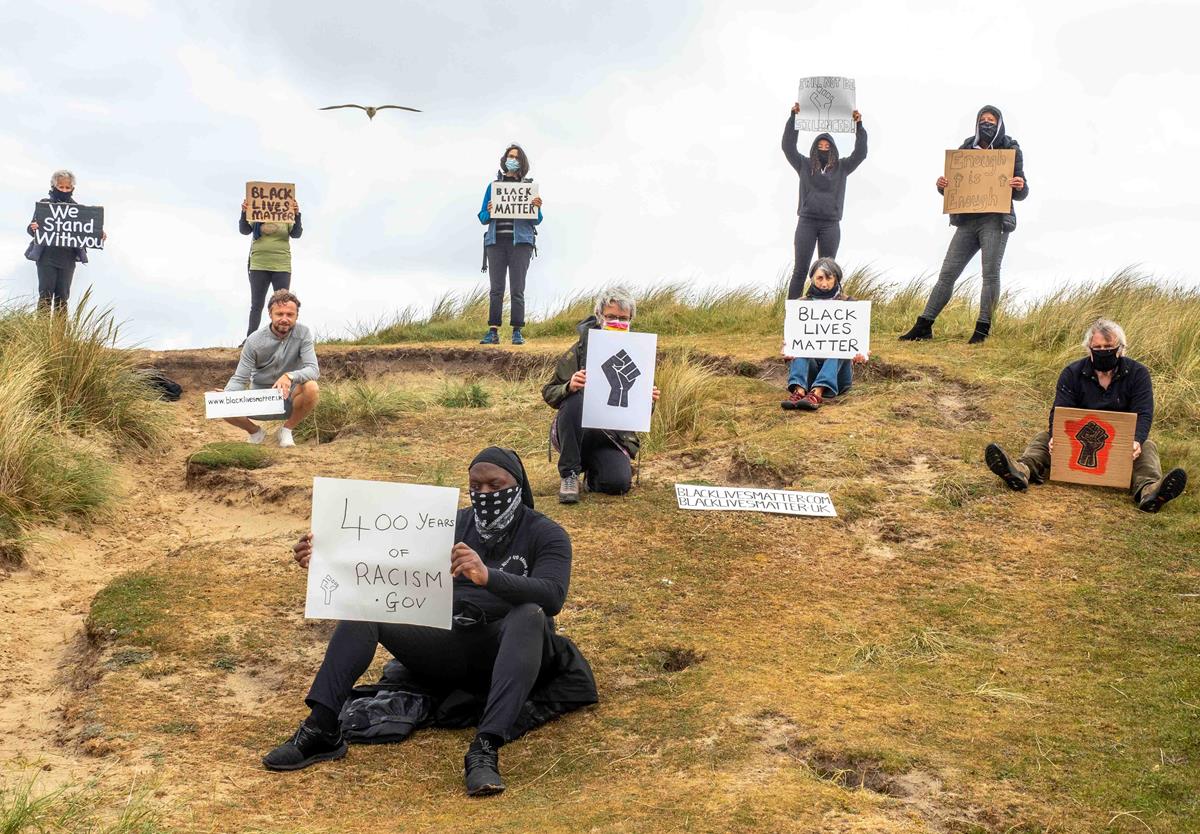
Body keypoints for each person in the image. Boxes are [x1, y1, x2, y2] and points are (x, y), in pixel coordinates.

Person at [264, 447, 594, 798]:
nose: (484, 494)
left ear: (517, 484)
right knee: (367, 606)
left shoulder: (546, 534)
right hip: (448, 645)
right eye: (476, 486)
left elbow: (553, 596)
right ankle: (321, 728)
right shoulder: (447, 524)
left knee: (530, 614)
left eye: (494, 485)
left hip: (512, 649)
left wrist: (488, 576)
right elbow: (381, 565)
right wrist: (326, 558)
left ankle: (485, 747)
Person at [984, 319, 1187, 512]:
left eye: (1108, 347)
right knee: (1043, 438)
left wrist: (1137, 440)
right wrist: (1057, 436)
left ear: (1121, 348)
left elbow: (1144, 412)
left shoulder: (1138, 374)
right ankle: (1021, 470)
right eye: (1097, 348)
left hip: (1119, 442)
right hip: (1077, 440)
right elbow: (1060, 410)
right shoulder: (1072, 373)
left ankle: (1150, 491)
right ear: (1089, 348)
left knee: (1147, 446)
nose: (1102, 351)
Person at [900, 105, 1028, 344]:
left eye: (991, 120)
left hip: (995, 219)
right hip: (967, 221)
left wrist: (1019, 185)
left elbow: (1022, 192)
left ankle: (982, 329)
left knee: (990, 274)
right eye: (983, 119)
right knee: (947, 273)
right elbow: (955, 188)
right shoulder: (966, 148)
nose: (986, 123)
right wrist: (943, 186)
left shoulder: (1010, 149)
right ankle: (924, 325)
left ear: (999, 124)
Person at [542, 286, 660, 504]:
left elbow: (636, 412)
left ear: (631, 320)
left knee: (617, 484)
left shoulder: (638, 351)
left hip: (612, 437)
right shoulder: (580, 349)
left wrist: (648, 401)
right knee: (575, 399)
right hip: (578, 433)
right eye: (611, 317)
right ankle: (569, 475)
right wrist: (568, 386)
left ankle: (593, 475)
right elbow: (549, 392)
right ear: (599, 317)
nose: (618, 322)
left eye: (623, 318)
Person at [781, 104, 867, 299]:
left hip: (830, 224)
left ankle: (830, 312)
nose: (823, 149)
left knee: (829, 273)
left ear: (833, 149)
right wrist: (793, 118)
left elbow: (860, 153)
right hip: (806, 222)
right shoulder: (803, 164)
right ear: (814, 149)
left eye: (827, 147)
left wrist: (859, 126)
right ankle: (793, 314)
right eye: (820, 146)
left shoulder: (843, 167)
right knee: (800, 270)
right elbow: (788, 147)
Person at [222, 289, 319, 448]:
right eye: (279, 314)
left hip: (291, 397)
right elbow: (240, 378)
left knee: (312, 387)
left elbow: (313, 370)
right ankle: (255, 433)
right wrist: (227, 394)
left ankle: (287, 430)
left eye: (290, 314)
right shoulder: (253, 341)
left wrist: (289, 376)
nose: (284, 319)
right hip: (261, 398)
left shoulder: (304, 333)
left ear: (297, 315)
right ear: (270, 314)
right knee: (221, 404)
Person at [781, 258, 868, 411]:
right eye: (820, 278)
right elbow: (793, 339)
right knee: (800, 347)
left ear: (836, 279)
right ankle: (799, 391)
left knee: (839, 346)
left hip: (838, 376)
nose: (824, 283)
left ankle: (817, 392)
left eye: (829, 278)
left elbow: (857, 341)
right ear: (812, 279)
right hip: (810, 371)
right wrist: (788, 348)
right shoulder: (801, 305)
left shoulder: (850, 304)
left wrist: (860, 352)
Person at [478, 143, 543, 345]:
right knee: (496, 289)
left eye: (515, 156)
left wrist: (537, 208)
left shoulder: (528, 188)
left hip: (521, 244)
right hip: (496, 242)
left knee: (517, 288)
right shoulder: (493, 187)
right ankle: (493, 331)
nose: (511, 159)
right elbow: (482, 217)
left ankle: (517, 331)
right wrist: (489, 210)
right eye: (509, 155)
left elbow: (536, 220)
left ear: (521, 162)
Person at [25, 169, 106, 314]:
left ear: (72, 189)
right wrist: (34, 227)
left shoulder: (78, 210)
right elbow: (31, 230)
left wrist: (98, 235)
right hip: (47, 257)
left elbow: (85, 231)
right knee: (45, 296)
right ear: (53, 187)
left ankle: (60, 335)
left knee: (62, 299)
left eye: (67, 187)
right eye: (61, 187)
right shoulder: (45, 205)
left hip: (68, 259)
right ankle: (42, 334)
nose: (64, 190)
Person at [239, 195, 303, 337]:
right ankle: (250, 340)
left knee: (283, 304)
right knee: (257, 305)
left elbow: (296, 233)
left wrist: (297, 214)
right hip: (258, 264)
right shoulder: (256, 213)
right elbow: (244, 230)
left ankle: (284, 338)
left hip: (281, 265)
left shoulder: (286, 214)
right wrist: (244, 212)